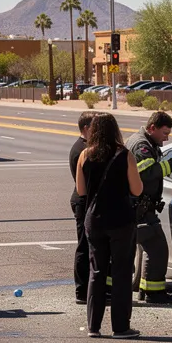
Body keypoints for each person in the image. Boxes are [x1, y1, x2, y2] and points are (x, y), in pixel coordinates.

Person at [75, 113, 144, 338]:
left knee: (96, 271)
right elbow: (137, 190)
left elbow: (81, 190)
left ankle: (93, 327)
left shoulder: (85, 155)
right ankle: (121, 327)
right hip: (121, 219)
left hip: (94, 220)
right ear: (115, 130)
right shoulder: (124, 155)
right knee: (122, 271)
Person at [126, 111, 172, 303]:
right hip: (139, 208)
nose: (167, 138)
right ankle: (153, 293)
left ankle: (147, 291)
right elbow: (146, 173)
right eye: (164, 133)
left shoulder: (145, 142)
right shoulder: (142, 146)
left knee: (150, 248)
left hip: (139, 207)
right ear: (152, 128)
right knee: (157, 247)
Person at [68, 111, 99, 304]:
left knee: (89, 246)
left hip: (84, 200)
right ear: (86, 128)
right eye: (96, 127)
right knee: (84, 247)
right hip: (83, 201)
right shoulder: (82, 149)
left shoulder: (85, 147)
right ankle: (82, 291)